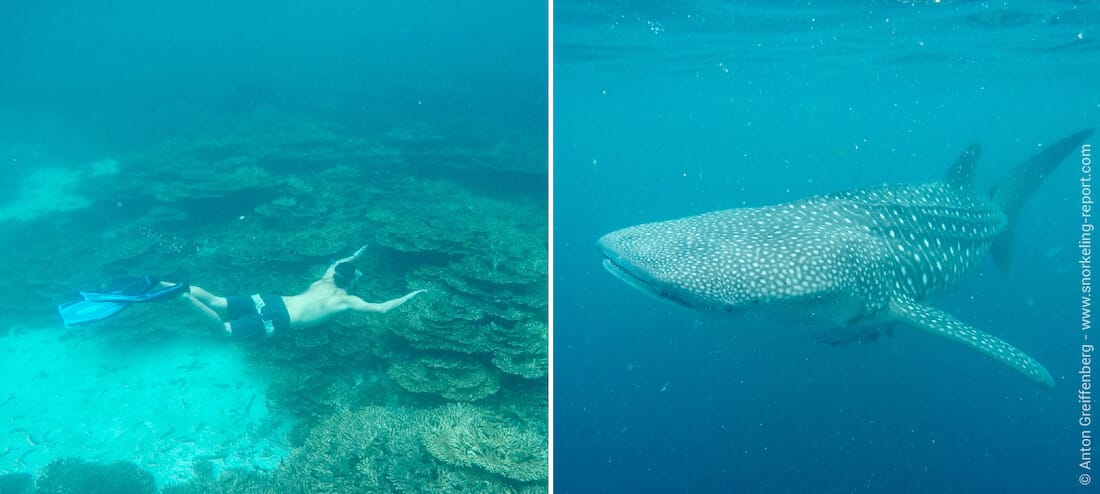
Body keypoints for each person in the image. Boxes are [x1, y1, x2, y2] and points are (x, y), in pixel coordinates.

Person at [179, 245, 424, 338]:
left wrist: (356, 255)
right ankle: (185, 298)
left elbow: (337, 263)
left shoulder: (326, 278)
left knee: (216, 300)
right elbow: (382, 309)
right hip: (278, 319)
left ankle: (164, 285)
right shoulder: (345, 300)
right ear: (351, 281)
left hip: (270, 299)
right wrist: (413, 294)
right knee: (223, 331)